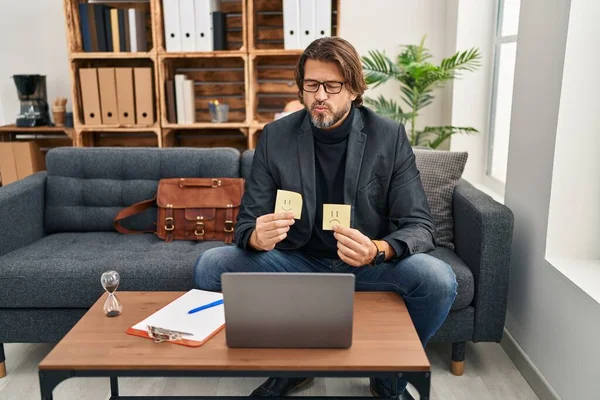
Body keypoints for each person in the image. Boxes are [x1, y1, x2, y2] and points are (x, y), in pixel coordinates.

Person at [194, 37, 457, 399]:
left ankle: (389, 376)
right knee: (211, 265)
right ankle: (290, 370)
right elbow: (245, 224)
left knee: (438, 279)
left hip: (364, 265)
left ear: (352, 89)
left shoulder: (388, 137)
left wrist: (377, 249)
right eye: (311, 85)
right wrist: (257, 236)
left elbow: (421, 226)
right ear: (301, 87)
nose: (320, 95)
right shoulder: (276, 136)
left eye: (332, 86)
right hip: (295, 262)